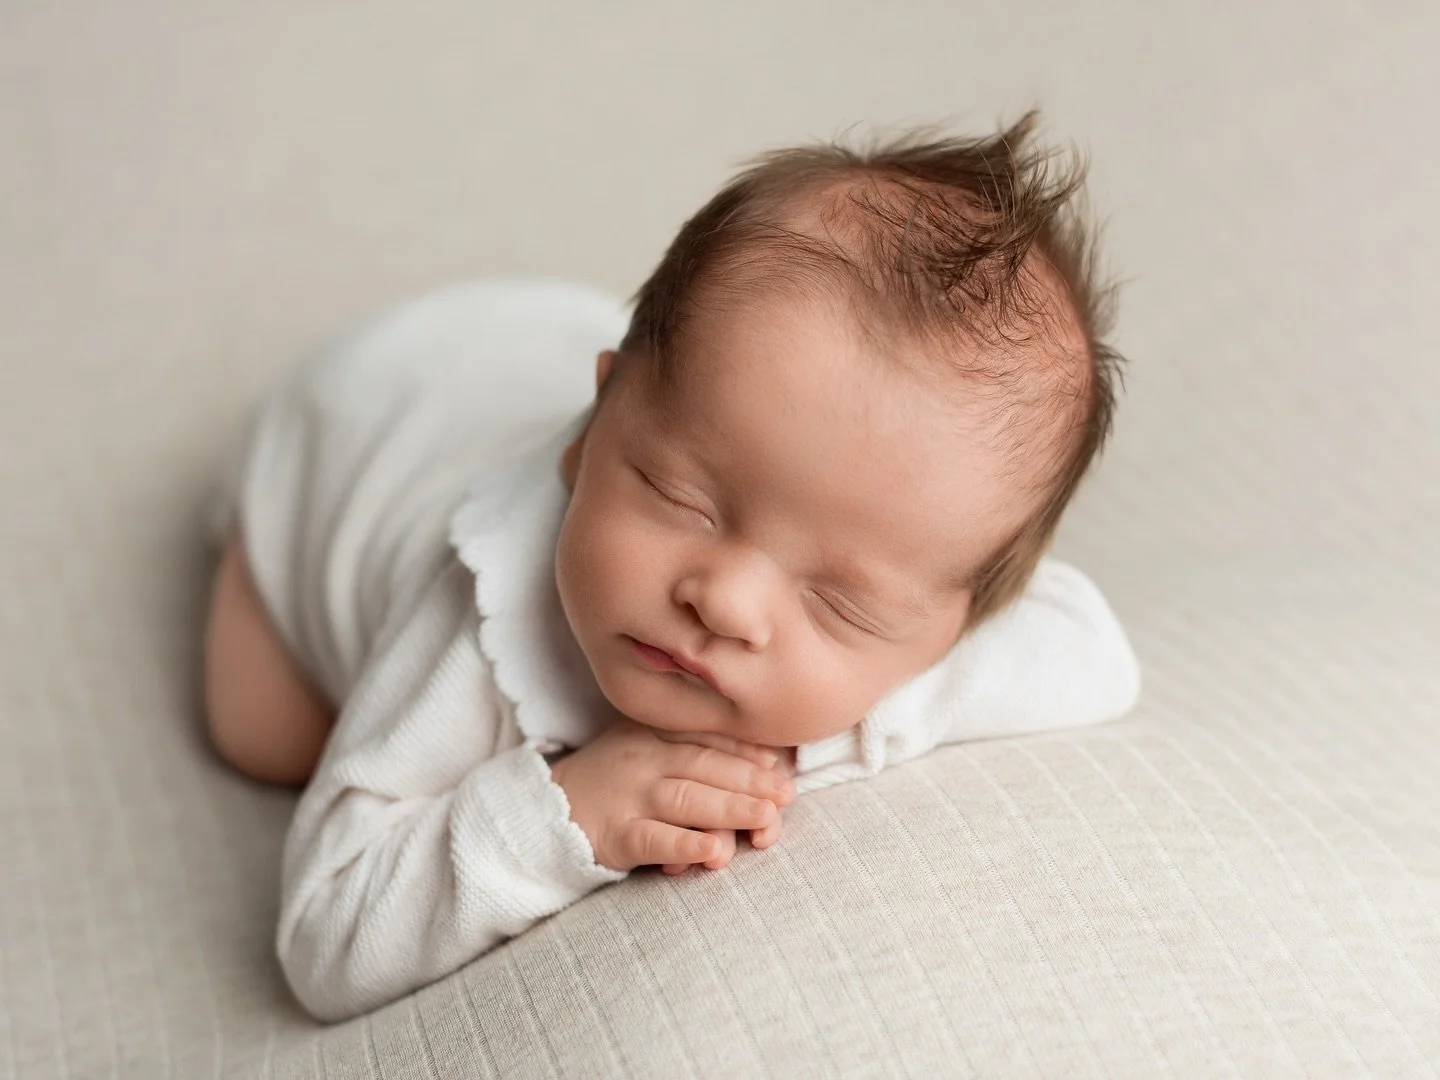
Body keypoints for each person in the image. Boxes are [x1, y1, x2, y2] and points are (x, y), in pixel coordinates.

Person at [203, 111, 1141, 1021]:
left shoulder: (926, 600)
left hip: (575, 357)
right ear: (592, 433)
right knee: (268, 737)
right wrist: (565, 812)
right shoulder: (478, 619)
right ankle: (246, 544)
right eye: (680, 498)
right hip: (358, 430)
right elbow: (325, 941)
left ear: (951, 630)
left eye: (838, 604)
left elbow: (1095, 656)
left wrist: (813, 731)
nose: (726, 602)